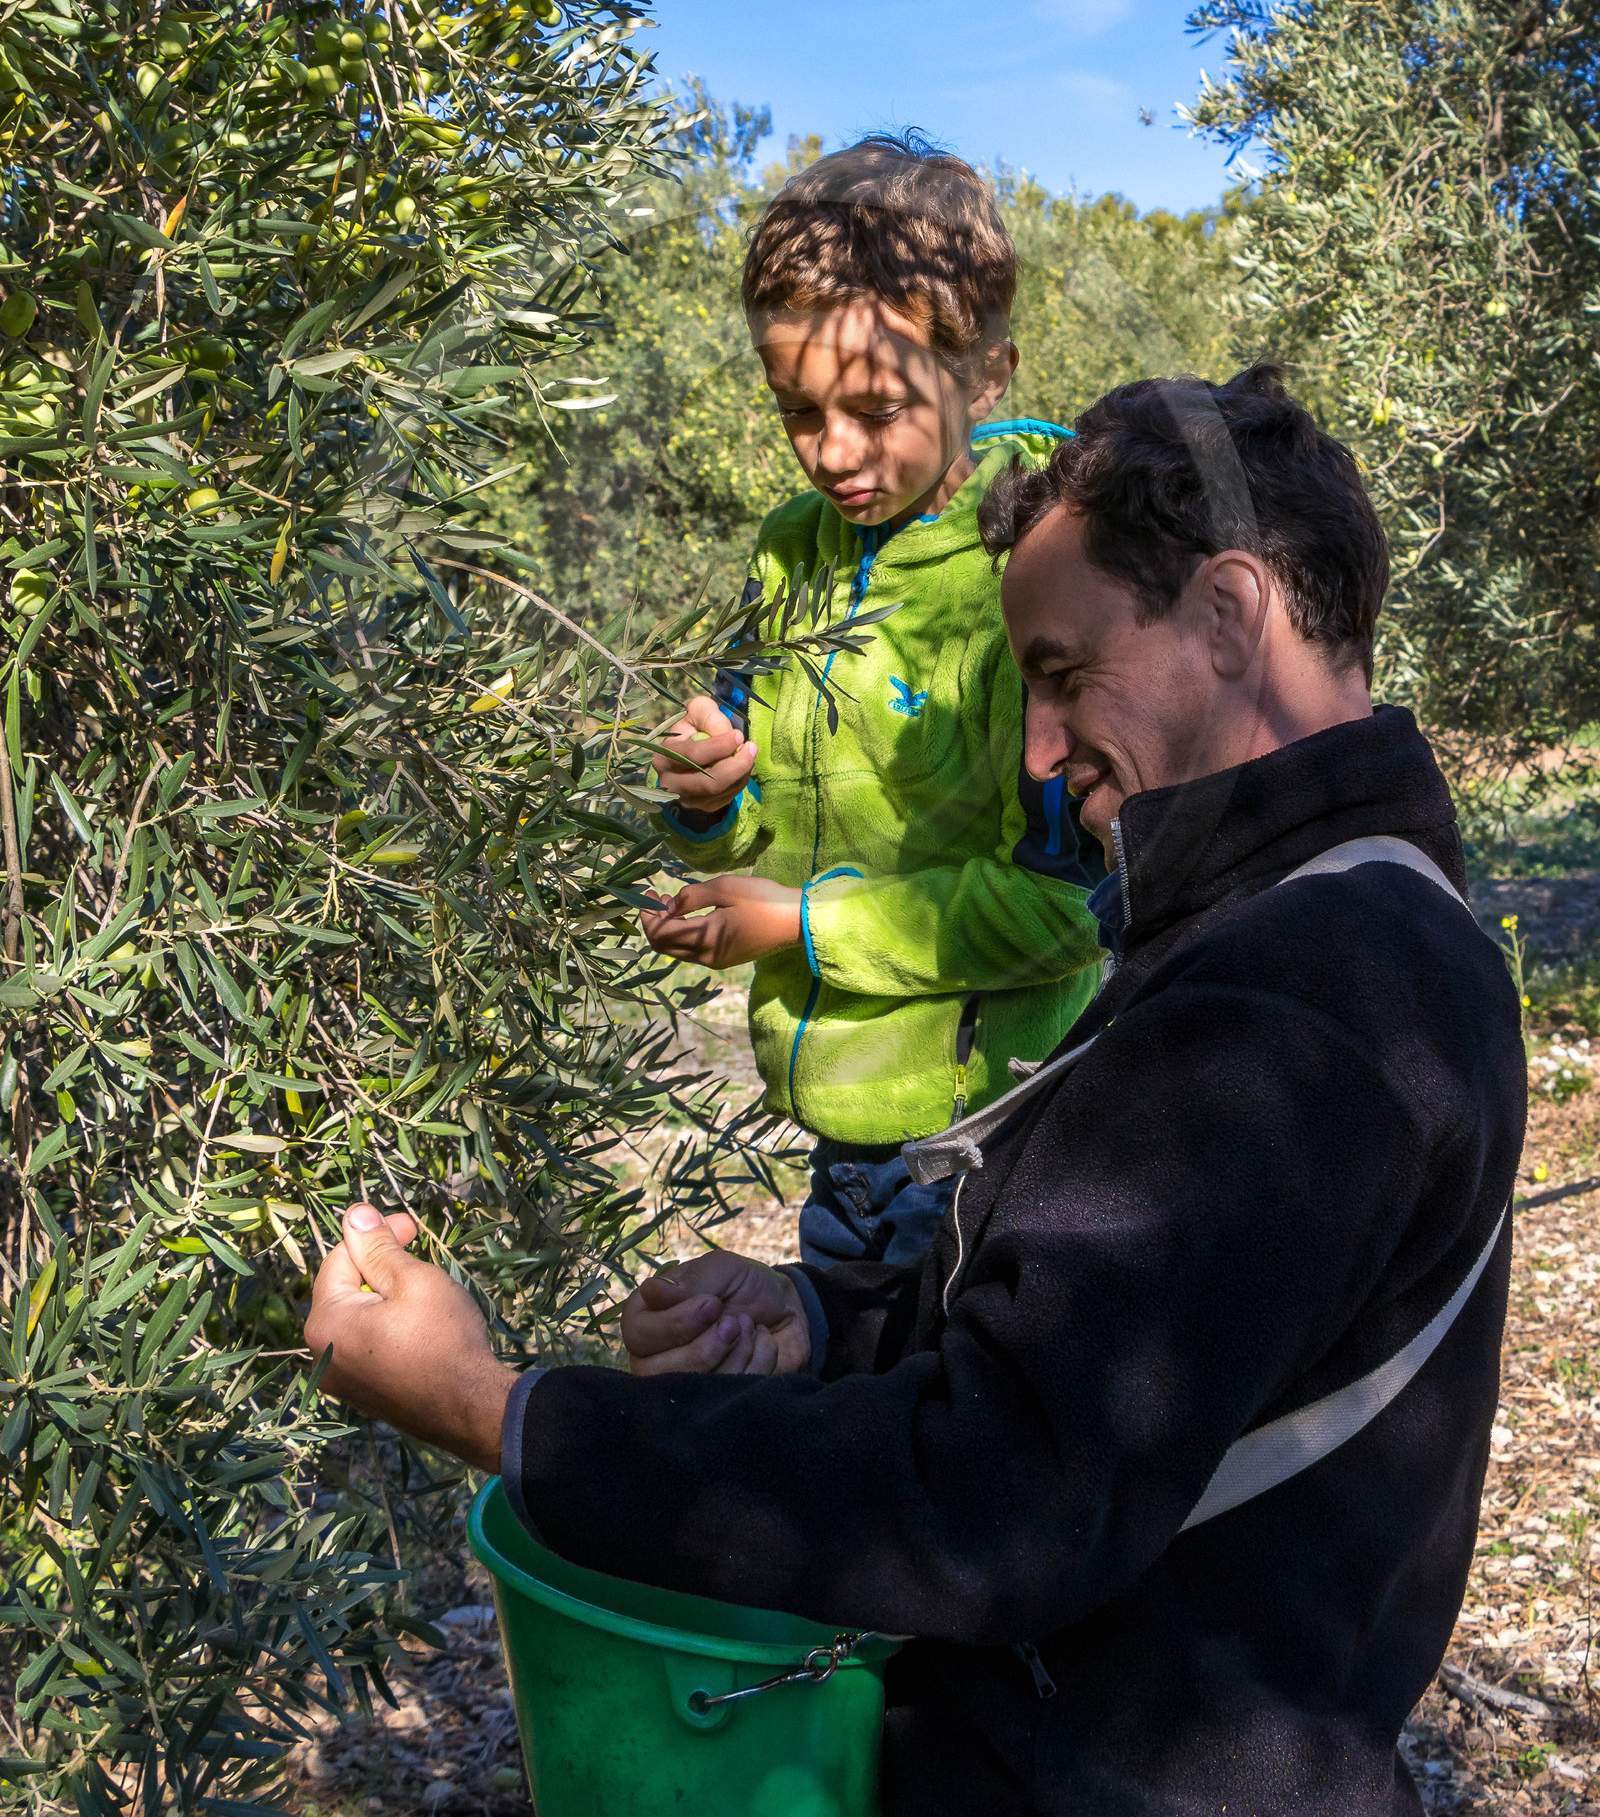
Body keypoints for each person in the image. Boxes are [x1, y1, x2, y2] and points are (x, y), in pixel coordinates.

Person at [305, 365, 1524, 1817]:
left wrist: (496, 1407)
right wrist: (828, 1319)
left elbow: (996, 1499)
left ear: (1231, 611)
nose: (1037, 746)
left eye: (1065, 672)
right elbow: (1150, 1339)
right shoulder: (1362, 913)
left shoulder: (1301, 993)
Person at [640, 134, 1103, 1266]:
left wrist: (797, 924)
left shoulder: (1026, 581)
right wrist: (707, 806)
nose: (832, 454)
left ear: (984, 375)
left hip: (981, 1134)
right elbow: (754, 797)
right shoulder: (791, 554)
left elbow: (1066, 910)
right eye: (798, 410)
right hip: (840, 1124)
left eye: (876, 406)